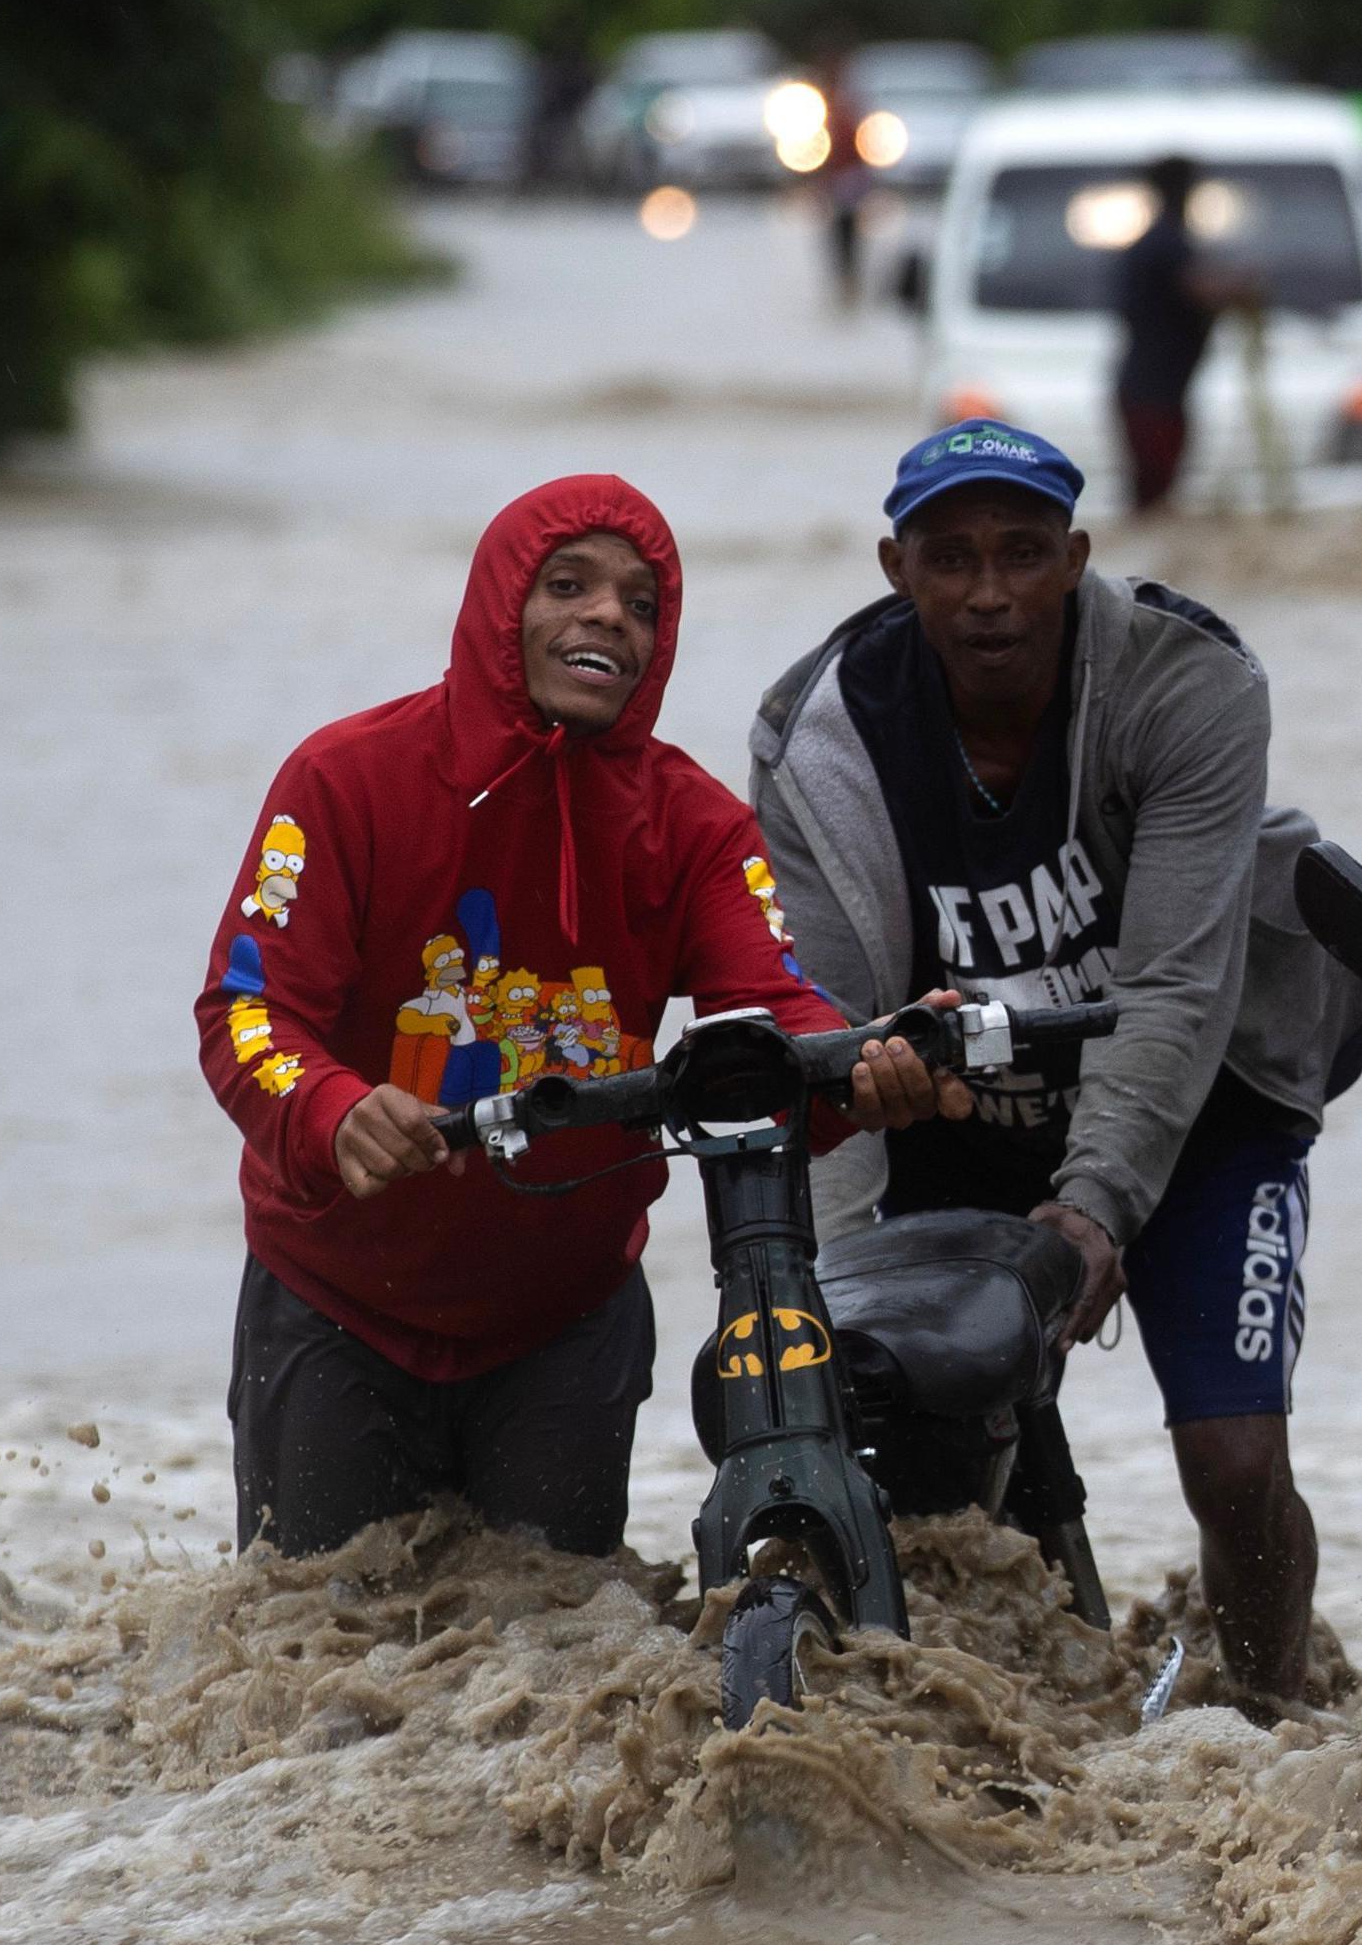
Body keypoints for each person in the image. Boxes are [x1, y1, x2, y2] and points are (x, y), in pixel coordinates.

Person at [745, 419, 1362, 1707]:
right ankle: (983, 1737)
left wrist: (1094, 1207)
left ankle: (1273, 1727)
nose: (989, 594)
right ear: (894, 568)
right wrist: (815, 1298)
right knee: (905, 1449)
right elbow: (820, 1027)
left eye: (1024, 555)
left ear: (1075, 559)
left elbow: (1179, 986)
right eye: (951, 559)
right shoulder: (814, 736)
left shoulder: (1184, 681)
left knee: (1236, 1456)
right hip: (958, 1110)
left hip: (1201, 1092)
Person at [197, 476, 943, 1559]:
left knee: (553, 1671)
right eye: (568, 585)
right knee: (317, 1674)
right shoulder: (342, 780)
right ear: (499, 606)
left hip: (565, 1322)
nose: (608, 616)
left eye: (642, 604)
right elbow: (246, 1008)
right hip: (333, 1301)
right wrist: (328, 1106)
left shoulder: (696, 825)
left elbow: (773, 1019)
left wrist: (868, 1061)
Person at [1110, 154, 1223, 517]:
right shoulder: (1163, 242)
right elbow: (1201, 289)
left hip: (1162, 388)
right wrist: (1241, 289)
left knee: (1159, 490)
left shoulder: (1169, 239)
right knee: (1155, 494)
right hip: (1150, 392)